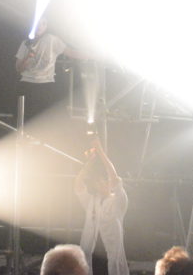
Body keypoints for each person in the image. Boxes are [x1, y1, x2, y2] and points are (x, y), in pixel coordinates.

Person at [74, 137, 128, 275]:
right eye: (98, 182)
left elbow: (114, 178)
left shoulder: (118, 201)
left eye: (104, 180)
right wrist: (89, 163)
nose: (101, 184)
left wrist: (100, 151)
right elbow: (78, 184)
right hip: (92, 256)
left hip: (111, 257)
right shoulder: (92, 201)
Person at [15, 18, 82, 120]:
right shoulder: (25, 43)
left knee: (47, 118)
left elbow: (72, 53)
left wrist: (93, 55)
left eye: (43, 24)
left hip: (46, 84)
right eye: (38, 23)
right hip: (27, 85)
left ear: (46, 27)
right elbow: (18, 68)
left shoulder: (51, 39)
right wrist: (28, 57)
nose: (40, 26)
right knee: (26, 119)